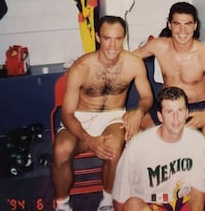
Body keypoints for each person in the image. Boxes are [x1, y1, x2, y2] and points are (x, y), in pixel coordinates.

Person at [51, 15, 154, 211]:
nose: (113, 45)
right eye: (107, 38)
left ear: (124, 37)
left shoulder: (133, 63)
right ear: (98, 37)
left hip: (113, 117)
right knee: (61, 151)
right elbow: (67, 113)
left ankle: (107, 201)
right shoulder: (81, 67)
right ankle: (62, 204)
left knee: (114, 148)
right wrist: (89, 140)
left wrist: (139, 111)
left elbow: (147, 97)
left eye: (118, 38)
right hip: (80, 119)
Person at [112, 86, 205, 211]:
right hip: (153, 205)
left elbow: (197, 191)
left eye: (180, 110)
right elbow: (120, 198)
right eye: (169, 112)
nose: (176, 118)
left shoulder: (197, 140)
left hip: (185, 202)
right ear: (160, 116)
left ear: (187, 113)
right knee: (132, 205)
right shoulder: (139, 145)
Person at [132, 2, 205, 172]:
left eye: (188, 24)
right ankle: (156, 177)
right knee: (135, 129)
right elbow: (128, 59)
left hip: (200, 106)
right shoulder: (159, 46)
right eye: (177, 24)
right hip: (169, 103)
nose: (182, 31)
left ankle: (198, 180)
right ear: (169, 24)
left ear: (195, 26)